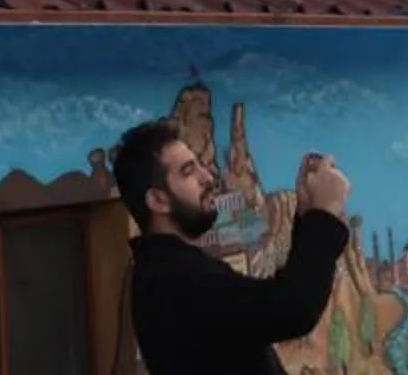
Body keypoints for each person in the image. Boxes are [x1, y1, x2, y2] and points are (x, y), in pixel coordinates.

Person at [112, 117, 353, 375]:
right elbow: (292, 308)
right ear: (158, 200)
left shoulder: (168, 271)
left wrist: (306, 215)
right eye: (188, 171)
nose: (208, 177)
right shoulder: (175, 279)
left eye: (201, 166)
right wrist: (324, 214)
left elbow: (270, 306)